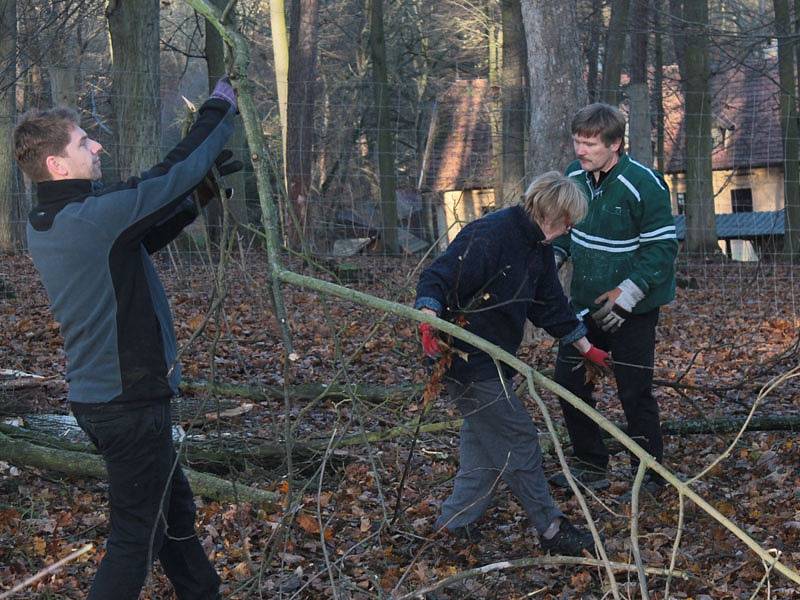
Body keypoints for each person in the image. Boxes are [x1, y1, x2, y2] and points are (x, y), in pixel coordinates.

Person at [13, 77, 240, 599]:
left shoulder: (50, 221)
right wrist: (218, 109)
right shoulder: (95, 216)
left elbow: (136, 242)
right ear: (57, 164)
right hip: (130, 401)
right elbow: (172, 172)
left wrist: (198, 197)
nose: (97, 146)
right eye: (83, 141)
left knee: (174, 516)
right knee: (136, 537)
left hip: (106, 401)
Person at [414, 171, 611, 556]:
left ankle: (454, 525)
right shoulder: (490, 235)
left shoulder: (537, 248)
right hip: (464, 360)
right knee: (518, 436)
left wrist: (586, 347)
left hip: (497, 359)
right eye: (567, 220)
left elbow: (551, 305)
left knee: (484, 450)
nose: (569, 228)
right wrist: (428, 321)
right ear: (550, 210)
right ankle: (551, 528)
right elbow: (437, 277)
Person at [550, 102, 678, 497]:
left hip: (633, 309)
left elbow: (662, 249)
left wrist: (628, 294)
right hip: (584, 306)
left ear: (616, 144)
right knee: (568, 383)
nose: (580, 150)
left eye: (589, 144)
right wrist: (552, 258)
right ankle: (591, 464)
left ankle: (651, 477)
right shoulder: (574, 176)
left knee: (633, 391)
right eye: (577, 141)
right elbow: (567, 230)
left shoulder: (646, 184)